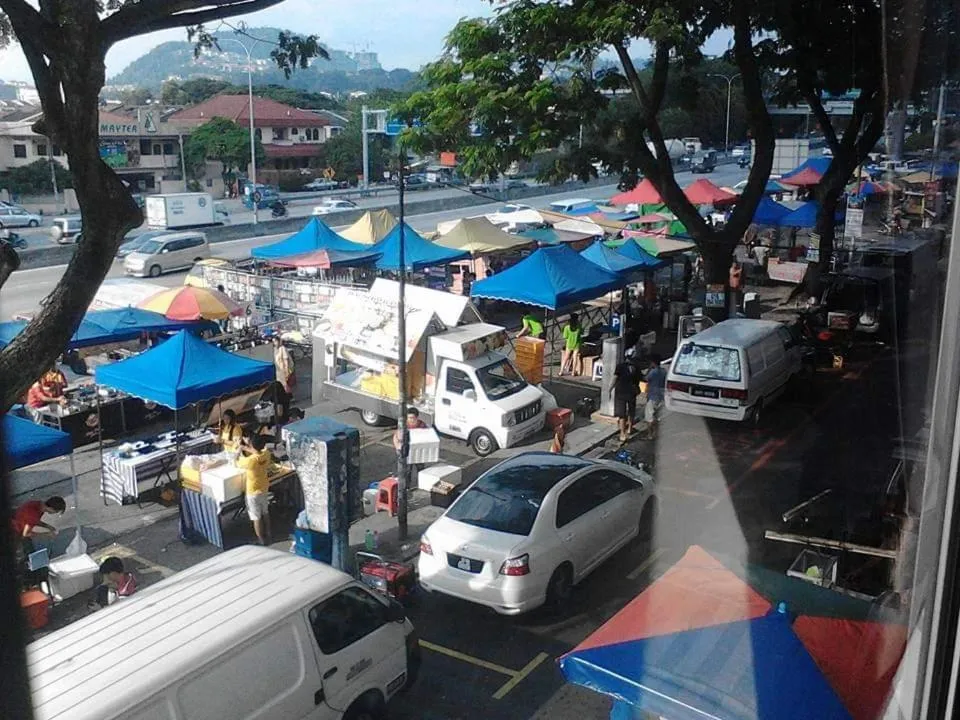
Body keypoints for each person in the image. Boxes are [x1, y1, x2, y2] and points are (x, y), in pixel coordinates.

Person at [237, 434, 273, 545]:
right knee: (265, 513)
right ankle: (269, 533)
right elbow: (257, 452)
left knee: (256, 517)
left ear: (252, 445)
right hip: (264, 487)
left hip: (252, 491)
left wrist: (239, 449)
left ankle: (261, 539)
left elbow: (237, 462)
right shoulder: (266, 454)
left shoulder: (250, 461)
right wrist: (246, 447)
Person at [610, 360, 638, 443]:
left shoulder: (620, 366)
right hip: (632, 392)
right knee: (631, 411)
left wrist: (610, 388)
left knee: (622, 414)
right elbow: (641, 378)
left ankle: (622, 433)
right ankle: (630, 428)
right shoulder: (635, 367)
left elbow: (615, 378)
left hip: (621, 392)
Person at [642, 355, 667, 440]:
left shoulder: (653, 372)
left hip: (652, 396)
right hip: (661, 396)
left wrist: (649, 369)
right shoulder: (664, 371)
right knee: (657, 416)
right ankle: (656, 433)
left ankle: (650, 434)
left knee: (649, 417)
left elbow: (645, 378)